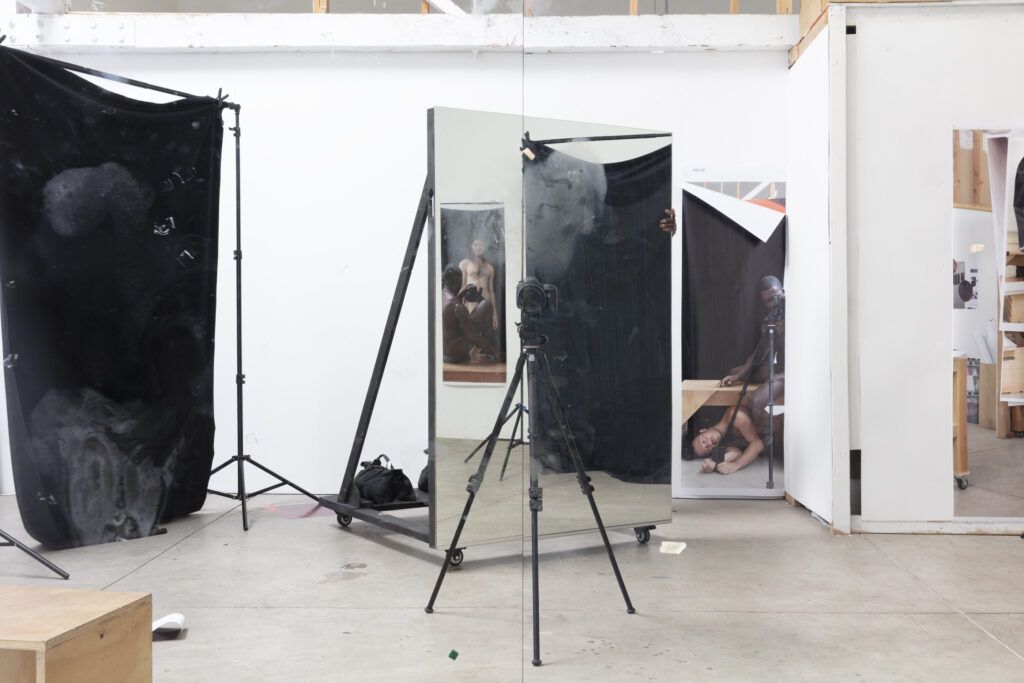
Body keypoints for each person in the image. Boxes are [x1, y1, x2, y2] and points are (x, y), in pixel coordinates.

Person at [441, 264, 497, 363]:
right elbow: (474, 336)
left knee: (483, 306)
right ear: (458, 282)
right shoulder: (457, 306)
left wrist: (460, 295)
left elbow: (451, 319)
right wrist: (494, 353)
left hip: (444, 354)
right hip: (457, 357)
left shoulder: (441, 297)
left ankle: (484, 351)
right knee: (487, 305)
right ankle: (486, 352)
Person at [692, 403, 764, 475]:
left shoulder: (735, 415)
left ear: (703, 430)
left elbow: (758, 443)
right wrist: (713, 462)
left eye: (703, 441)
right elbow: (736, 453)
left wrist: (736, 465)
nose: (709, 444)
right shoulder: (724, 440)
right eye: (708, 449)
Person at [459, 235, 499, 332]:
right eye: (475, 244)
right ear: (471, 246)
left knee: (484, 336)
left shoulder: (489, 268)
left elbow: (491, 292)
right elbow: (462, 287)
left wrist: (494, 315)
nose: (478, 247)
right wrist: (461, 312)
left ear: (484, 247)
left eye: (481, 245)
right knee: (472, 335)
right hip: (470, 305)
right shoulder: (465, 264)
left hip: (485, 306)